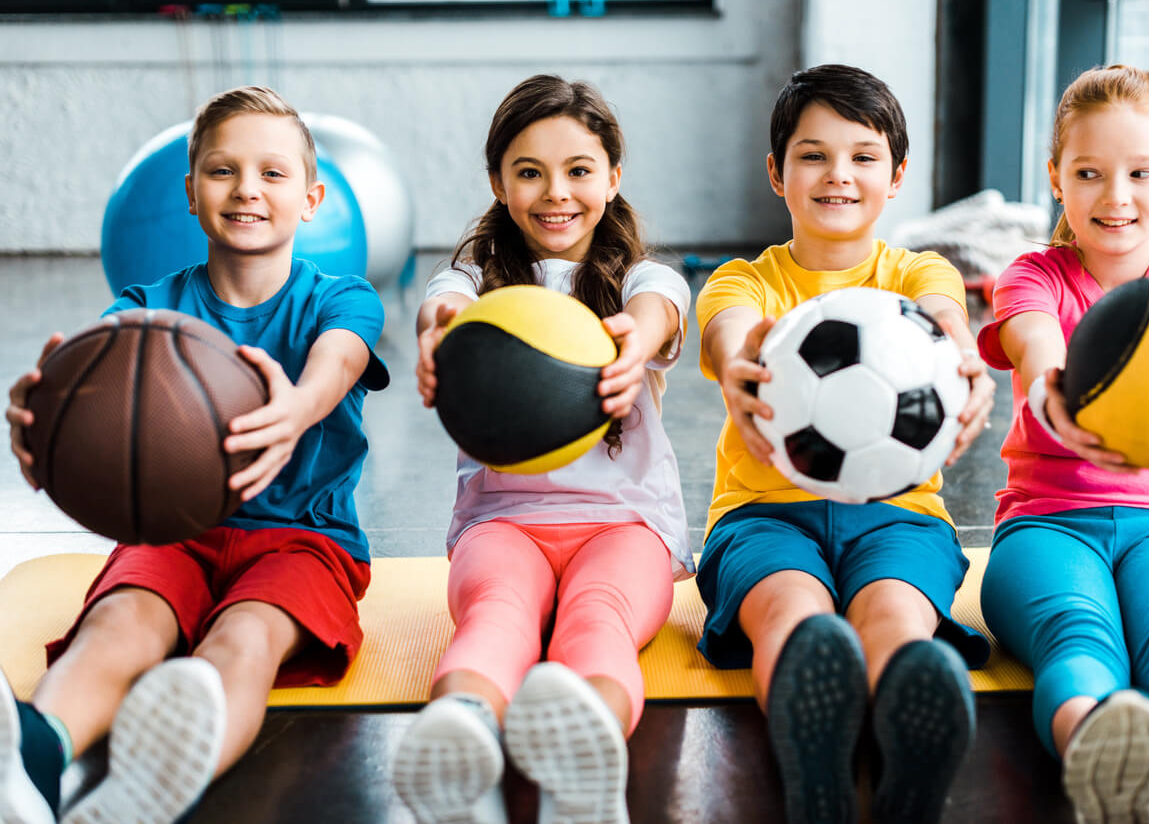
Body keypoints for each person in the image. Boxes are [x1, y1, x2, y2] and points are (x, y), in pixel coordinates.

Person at [1, 85, 389, 824]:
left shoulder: (344, 298)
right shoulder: (141, 317)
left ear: (311, 199)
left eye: (273, 174)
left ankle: (160, 780)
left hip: (304, 543)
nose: (247, 188)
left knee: (246, 637)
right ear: (188, 191)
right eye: (223, 170)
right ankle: (32, 764)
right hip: (172, 531)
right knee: (120, 623)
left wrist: (296, 408)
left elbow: (338, 362)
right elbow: (84, 410)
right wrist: (43, 433)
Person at [695, 63, 996, 824]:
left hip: (898, 513)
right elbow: (728, 328)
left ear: (896, 177)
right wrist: (739, 362)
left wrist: (963, 358)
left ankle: (907, 735)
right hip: (764, 516)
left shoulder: (917, 272)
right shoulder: (744, 281)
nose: (839, 175)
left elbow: (945, 314)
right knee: (792, 614)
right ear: (777, 172)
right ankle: (816, 760)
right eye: (813, 154)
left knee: (894, 613)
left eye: (863, 156)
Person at [393, 74, 692, 824]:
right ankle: (459, 743)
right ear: (497, 182)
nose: (556, 192)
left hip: (626, 528)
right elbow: (444, 302)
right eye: (529, 172)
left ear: (614, 176)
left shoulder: (638, 280)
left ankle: (586, 758)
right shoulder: (472, 279)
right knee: (496, 615)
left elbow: (665, 304)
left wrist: (639, 335)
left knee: (599, 618)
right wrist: (441, 330)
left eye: (580, 171)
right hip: (504, 523)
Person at [977, 64, 1149, 823]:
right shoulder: (1035, 274)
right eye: (1090, 172)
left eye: (1140, 172)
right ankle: (1100, 746)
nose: (1116, 195)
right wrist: (1052, 386)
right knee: (1078, 635)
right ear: (1056, 178)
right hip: (1046, 525)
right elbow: (1033, 342)